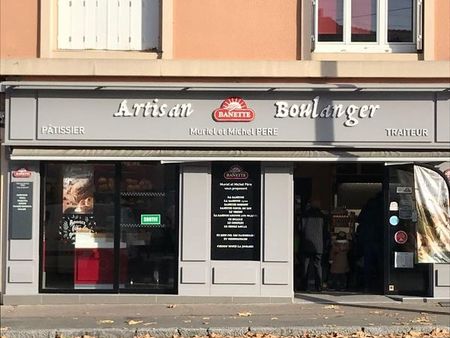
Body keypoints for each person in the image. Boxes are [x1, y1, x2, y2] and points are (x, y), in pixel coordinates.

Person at [357, 191, 384, 292]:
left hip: (367, 238)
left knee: (367, 264)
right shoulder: (383, 207)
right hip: (380, 239)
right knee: (381, 263)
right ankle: (382, 285)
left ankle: (367, 286)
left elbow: (359, 219)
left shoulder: (367, 207)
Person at [298, 200, 326, 291]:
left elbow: (300, 229)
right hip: (318, 244)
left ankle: (304, 286)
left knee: (305, 265)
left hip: (306, 243)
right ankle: (319, 286)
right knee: (318, 265)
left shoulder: (305, 215)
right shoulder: (322, 216)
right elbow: (325, 232)